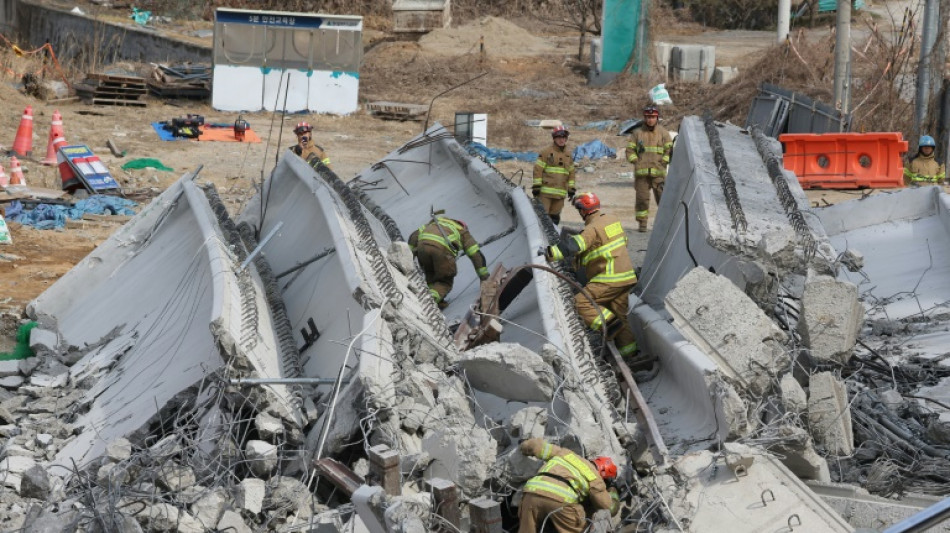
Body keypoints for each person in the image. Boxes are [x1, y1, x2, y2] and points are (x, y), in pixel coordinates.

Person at [545, 192, 639, 358]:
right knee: (620, 314)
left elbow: (573, 246)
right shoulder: (612, 219)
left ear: (583, 210)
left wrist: (550, 253)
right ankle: (631, 356)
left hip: (609, 279)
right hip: (627, 277)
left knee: (580, 302)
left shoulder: (591, 229)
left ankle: (609, 324)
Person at [518, 437, 619, 533]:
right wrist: (612, 489)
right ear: (603, 474)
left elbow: (537, 446)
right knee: (581, 529)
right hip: (560, 500)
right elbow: (608, 507)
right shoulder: (595, 478)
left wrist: (524, 444)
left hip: (531, 493)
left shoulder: (566, 454)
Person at [408, 213, 490, 308]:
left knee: (431, 275)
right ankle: (429, 302)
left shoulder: (434, 223)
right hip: (441, 251)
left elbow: (414, 237)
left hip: (422, 250)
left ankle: (437, 300)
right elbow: (476, 255)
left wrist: (409, 258)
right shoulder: (462, 231)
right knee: (445, 281)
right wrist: (484, 278)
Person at [626, 105, 673, 232]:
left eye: (652, 117)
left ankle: (666, 225)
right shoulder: (637, 133)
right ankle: (642, 224)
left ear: (657, 117)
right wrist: (636, 161)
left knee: (663, 200)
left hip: (658, 174)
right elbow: (629, 151)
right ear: (644, 117)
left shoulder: (663, 133)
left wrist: (664, 161)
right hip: (642, 175)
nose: (650, 120)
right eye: (648, 117)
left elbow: (670, 150)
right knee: (642, 201)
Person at [533, 125, 576, 225]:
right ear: (554, 138)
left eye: (564, 137)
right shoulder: (546, 152)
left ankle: (553, 239)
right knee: (542, 218)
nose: (562, 140)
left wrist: (571, 189)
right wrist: (536, 186)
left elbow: (571, 173)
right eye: (559, 137)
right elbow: (538, 170)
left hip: (560, 195)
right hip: (545, 194)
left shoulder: (568, 155)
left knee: (555, 219)